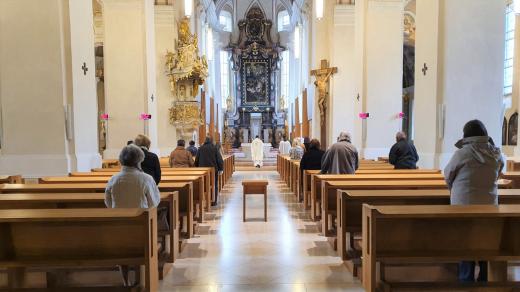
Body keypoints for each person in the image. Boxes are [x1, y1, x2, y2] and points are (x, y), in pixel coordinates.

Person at [444, 120, 505, 282]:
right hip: (489, 207)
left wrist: (454, 189)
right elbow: (499, 172)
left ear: (466, 135)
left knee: (465, 242)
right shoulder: (496, 154)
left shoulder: (462, 154)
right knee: (486, 242)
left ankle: (466, 279)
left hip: (463, 206)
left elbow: (448, 174)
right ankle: (485, 277)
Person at [105, 144, 160, 208]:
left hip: (118, 217)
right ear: (139, 160)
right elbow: (153, 203)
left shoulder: (113, 179)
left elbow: (108, 202)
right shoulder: (147, 179)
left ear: (121, 160)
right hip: (141, 217)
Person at [195, 137, 224, 206]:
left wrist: (197, 168)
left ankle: (203, 201)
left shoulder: (200, 148)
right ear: (211, 142)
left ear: (205, 141)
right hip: (213, 170)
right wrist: (221, 169)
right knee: (214, 185)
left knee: (202, 185)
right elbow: (219, 160)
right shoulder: (214, 148)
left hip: (202, 171)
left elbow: (197, 160)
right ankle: (213, 201)